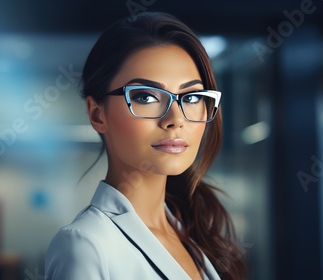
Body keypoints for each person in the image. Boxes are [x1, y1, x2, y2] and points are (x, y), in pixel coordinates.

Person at [45, 12, 248, 280]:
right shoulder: (85, 245)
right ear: (97, 114)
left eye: (191, 97)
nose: (175, 120)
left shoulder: (192, 234)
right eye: (146, 96)